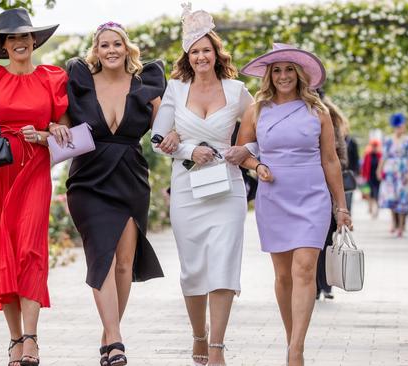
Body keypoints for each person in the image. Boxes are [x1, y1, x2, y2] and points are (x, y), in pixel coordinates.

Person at [0, 8, 69, 366]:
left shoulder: (53, 77)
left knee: (30, 248)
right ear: (3, 45)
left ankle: (32, 339)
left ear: (34, 41)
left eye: (24, 36)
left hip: (33, 167)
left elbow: (64, 132)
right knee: (1, 250)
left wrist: (46, 133)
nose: (19, 42)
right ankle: (15, 339)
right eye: (12, 37)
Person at [236, 43, 351, 366]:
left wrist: (340, 207)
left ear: (300, 74)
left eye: (289, 69)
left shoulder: (318, 111)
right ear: (269, 75)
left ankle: (296, 350)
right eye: (277, 70)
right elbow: (241, 152)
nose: (283, 75)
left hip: (312, 195)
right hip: (274, 196)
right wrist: (257, 167)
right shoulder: (256, 110)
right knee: (283, 276)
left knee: (304, 269)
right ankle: (291, 340)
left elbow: (330, 160)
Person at [151, 4, 253, 365]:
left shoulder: (238, 90)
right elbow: (158, 137)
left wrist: (246, 150)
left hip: (228, 187)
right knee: (193, 267)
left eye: (206, 50)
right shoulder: (176, 90)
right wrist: (191, 149)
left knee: (223, 263)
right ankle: (199, 335)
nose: (200, 57)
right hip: (188, 188)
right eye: (194, 52)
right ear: (187, 57)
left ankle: (217, 348)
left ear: (216, 53)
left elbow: (260, 134)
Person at [62, 21, 165, 366]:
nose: (110, 50)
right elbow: (61, 120)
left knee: (123, 264)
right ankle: (117, 341)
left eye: (116, 44)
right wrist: (53, 129)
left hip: (131, 178)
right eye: (104, 45)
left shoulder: (145, 83)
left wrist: (177, 137)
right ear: (96, 50)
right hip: (88, 180)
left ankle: (109, 335)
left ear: (126, 48)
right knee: (101, 258)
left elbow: (165, 127)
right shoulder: (79, 80)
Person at [315, 94, 349, 301]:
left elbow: (341, 157)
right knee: (316, 242)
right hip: (305, 185)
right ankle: (315, 285)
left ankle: (325, 284)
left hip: (327, 187)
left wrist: (327, 163)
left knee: (327, 238)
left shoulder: (327, 115)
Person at [377, 113, 408, 237]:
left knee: (403, 198)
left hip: (403, 171)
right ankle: (394, 222)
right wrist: (379, 169)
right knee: (392, 198)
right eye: (400, 126)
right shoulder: (388, 140)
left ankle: (402, 225)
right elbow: (384, 156)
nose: (402, 128)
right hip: (390, 172)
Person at [362, 139, 382, 218]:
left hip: (377, 178)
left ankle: (376, 210)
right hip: (369, 177)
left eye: (375, 146)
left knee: (377, 194)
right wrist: (364, 176)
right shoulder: (368, 155)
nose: (374, 148)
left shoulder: (380, 155)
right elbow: (364, 167)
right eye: (373, 146)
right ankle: (370, 208)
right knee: (370, 194)